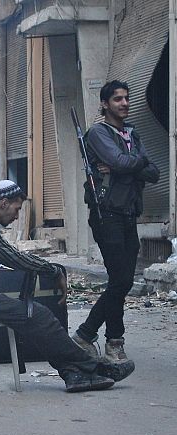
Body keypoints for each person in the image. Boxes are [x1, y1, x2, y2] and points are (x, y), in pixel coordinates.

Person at [0, 180, 135, 393]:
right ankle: (93, 368)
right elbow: (12, 258)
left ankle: (75, 373)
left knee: (34, 315)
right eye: (16, 208)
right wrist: (52, 270)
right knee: (37, 315)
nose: (17, 216)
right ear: (3, 203)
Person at [71, 80, 160, 363]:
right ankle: (113, 342)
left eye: (126, 99)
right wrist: (132, 164)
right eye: (118, 99)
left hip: (129, 214)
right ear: (105, 104)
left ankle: (86, 335)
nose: (124, 103)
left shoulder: (131, 133)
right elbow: (124, 163)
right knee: (121, 279)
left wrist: (127, 164)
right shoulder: (98, 133)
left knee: (120, 282)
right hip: (106, 213)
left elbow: (154, 172)